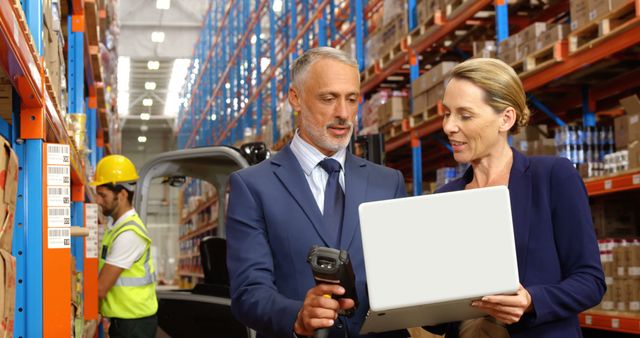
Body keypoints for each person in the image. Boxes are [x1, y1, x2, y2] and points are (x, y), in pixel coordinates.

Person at [226, 47, 409, 338]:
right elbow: (249, 292)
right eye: (328, 98)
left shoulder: (389, 183)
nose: (343, 114)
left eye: (351, 99)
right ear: (295, 98)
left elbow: (406, 275)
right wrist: (297, 316)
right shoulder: (252, 186)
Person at [424, 58, 606, 337]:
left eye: (465, 115)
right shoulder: (445, 198)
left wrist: (532, 301)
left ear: (505, 119)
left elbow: (590, 281)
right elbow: (435, 317)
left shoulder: (553, 177)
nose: (449, 126)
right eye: (447, 113)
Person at [92, 155, 158, 338]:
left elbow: (101, 288)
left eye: (103, 195)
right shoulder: (117, 227)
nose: (98, 200)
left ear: (121, 195)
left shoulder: (128, 234)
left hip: (134, 325)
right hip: (127, 320)